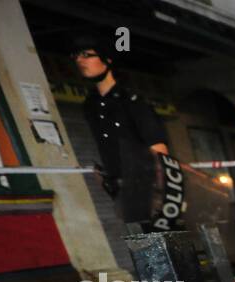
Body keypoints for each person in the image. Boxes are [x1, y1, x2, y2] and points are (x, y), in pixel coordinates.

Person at [71, 36, 175, 231]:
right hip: (120, 190)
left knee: (164, 248)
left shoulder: (131, 101)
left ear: (107, 60)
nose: (79, 60)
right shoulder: (90, 105)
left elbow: (159, 150)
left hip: (149, 188)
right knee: (141, 250)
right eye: (76, 56)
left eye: (87, 55)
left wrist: (161, 193)